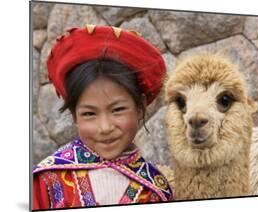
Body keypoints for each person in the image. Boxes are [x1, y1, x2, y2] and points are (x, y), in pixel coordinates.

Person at [33, 24, 173, 210]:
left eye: (118, 110)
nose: (105, 127)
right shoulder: (47, 181)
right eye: (89, 114)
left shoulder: (156, 192)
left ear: (139, 107)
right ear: (74, 115)